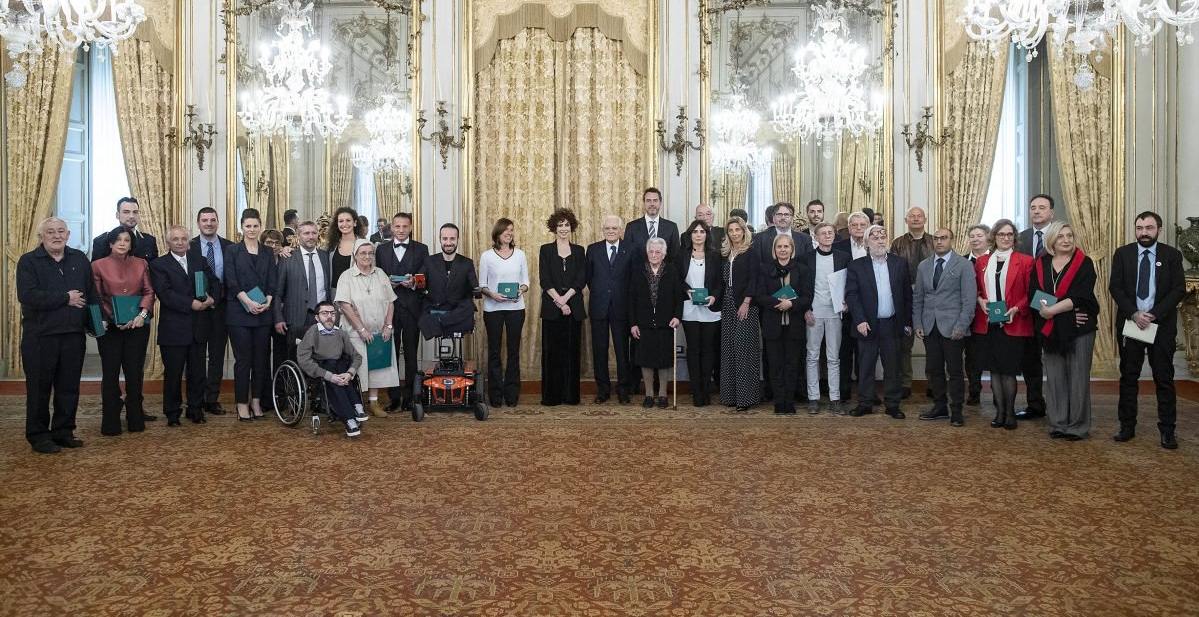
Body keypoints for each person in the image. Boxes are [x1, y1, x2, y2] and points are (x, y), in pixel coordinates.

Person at [1110, 211, 1186, 449]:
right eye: (1139, 228)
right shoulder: (1123, 254)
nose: (1144, 232)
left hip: (1160, 325)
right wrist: (1134, 313)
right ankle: (1127, 426)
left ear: (1159, 230)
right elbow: (1115, 287)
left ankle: (1167, 430)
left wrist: (1153, 314)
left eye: (1149, 228)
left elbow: (1178, 289)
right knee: (1128, 377)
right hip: (1131, 323)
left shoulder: (1171, 255)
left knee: (1164, 378)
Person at [17, 217, 94, 454]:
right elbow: (28, 295)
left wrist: (96, 323)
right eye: (50, 232)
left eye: (61, 231)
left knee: (68, 388)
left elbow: (91, 293)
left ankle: (63, 431)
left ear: (68, 235)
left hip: (73, 336)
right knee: (39, 389)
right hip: (40, 338)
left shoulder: (79, 259)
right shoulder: (28, 261)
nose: (56, 235)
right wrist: (65, 298)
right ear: (41, 236)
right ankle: (38, 436)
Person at [1029, 222, 1099, 440]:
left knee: (1078, 379)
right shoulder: (1041, 263)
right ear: (1051, 240)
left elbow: (1081, 296)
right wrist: (1058, 312)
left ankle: (1078, 426)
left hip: (1080, 329)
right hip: (1051, 329)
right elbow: (1035, 294)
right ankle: (1058, 424)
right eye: (1061, 236)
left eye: (1069, 236)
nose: (1066, 240)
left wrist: (1052, 311)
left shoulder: (1084, 262)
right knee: (1055, 378)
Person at [150, 225, 221, 426]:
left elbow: (215, 282)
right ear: (168, 243)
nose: (180, 242)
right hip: (174, 330)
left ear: (188, 241)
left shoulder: (199, 260)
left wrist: (212, 299)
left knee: (197, 373)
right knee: (173, 375)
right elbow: (165, 293)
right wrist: (191, 303)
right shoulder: (158, 265)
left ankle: (195, 409)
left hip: (199, 327)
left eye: (183, 239)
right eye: (175, 239)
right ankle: (172, 413)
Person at [91, 225, 156, 435]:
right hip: (109, 329)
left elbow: (149, 292)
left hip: (137, 327)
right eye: (118, 240)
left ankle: (135, 418)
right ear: (110, 243)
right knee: (110, 374)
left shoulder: (141, 263)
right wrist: (114, 318)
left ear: (131, 244)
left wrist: (141, 316)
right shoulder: (97, 265)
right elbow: (96, 297)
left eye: (126, 240)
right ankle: (110, 422)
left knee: (134, 374)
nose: (122, 243)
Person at [972, 219, 1034, 430]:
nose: (1005, 238)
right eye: (1001, 234)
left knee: (1008, 371)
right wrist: (980, 300)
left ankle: (1010, 413)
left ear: (1014, 237)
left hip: (1013, 323)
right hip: (989, 323)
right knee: (994, 371)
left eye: (1009, 234)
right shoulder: (982, 262)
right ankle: (999, 412)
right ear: (994, 237)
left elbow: (1031, 292)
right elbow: (977, 289)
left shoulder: (1025, 261)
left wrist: (1016, 308)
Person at [912, 228, 976, 426]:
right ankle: (939, 407)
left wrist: (962, 325)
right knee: (934, 370)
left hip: (954, 327)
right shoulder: (924, 266)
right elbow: (918, 297)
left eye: (944, 238)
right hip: (929, 326)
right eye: (936, 238)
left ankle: (956, 410)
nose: (939, 241)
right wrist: (918, 323)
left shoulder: (964, 265)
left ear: (952, 240)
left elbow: (969, 299)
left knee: (955, 371)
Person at [846, 225, 911, 419]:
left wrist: (907, 322)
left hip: (892, 324)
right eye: (875, 238)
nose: (880, 240)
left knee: (893, 367)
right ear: (866, 243)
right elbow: (852, 295)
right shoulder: (856, 265)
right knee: (866, 367)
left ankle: (893, 405)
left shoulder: (900, 263)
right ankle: (865, 403)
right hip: (867, 324)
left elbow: (907, 295)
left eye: (883, 237)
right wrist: (859, 320)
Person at [336, 239, 399, 417]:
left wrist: (388, 325)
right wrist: (362, 330)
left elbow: (390, 302)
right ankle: (356, 403)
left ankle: (374, 402)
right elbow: (345, 305)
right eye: (362, 253)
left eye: (370, 253)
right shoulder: (346, 276)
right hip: (355, 332)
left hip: (379, 332)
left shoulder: (380, 274)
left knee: (376, 367)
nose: (367, 256)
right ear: (355, 255)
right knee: (358, 367)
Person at [225, 208, 277, 421]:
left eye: (255, 226)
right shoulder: (232, 251)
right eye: (248, 226)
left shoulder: (267, 251)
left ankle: (256, 401)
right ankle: (241, 404)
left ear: (260, 227)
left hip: (263, 312)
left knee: (260, 360)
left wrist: (268, 301)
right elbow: (231, 280)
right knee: (243, 360)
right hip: (239, 313)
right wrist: (247, 301)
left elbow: (272, 280)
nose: (252, 229)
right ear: (242, 227)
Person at [375, 212, 429, 411]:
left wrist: (414, 282)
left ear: (411, 227)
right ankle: (394, 397)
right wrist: (387, 284)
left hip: (413, 308)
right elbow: (376, 277)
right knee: (391, 354)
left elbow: (425, 278)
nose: (401, 230)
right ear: (392, 228)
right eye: (397, 226)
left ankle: (411, 397)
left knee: (411, 354)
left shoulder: (422, 249)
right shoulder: (381, 250)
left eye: (405, 226)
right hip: (389, 310)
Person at [296, 301, 369, 438]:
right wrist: (330, 376)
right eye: (325, 313)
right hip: (321, 369)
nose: (329, 316)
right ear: (317, 317)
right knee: (332, 371)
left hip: (340, 369)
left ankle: (356, 408)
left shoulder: (340, 333)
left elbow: (357, 356)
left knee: (341, 366)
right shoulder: (313, 333)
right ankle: (350, 417)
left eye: (332, 313)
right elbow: (304, 360)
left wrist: (350, 373)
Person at [479, 218, 530, 407]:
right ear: (497, 233)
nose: (509, 233)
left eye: (511, 230)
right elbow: (482, 285)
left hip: (516, 309)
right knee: (494, 351)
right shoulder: (487, 256)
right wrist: (492, 294)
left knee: (513, 351)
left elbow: (526, 282)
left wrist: (520, 291)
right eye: (505, 230)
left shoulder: (520, 255)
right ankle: (495, 395)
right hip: (493, 309)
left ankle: (512, 394)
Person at [756, 233, 809, 414]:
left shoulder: (802, 269)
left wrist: (792, 304)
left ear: (792, 249)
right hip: (773, 325)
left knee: (792, 365)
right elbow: (760, 296)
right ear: (774, 250)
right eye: (779, 246)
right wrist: (779, 303)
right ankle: (779, 401)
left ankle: (789, 401)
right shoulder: (765, 269)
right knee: (775, 365)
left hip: (794, 325)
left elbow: (807, 296)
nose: (783, 250)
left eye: (786, 246)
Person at [801, 222, 851, 414]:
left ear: (834, 235)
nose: (827, 235)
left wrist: (846, 302)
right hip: (814, 312)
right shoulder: (806, 258)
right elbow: (801, 286)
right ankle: (813, 398)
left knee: (833, 357)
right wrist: (806, 309)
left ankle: (835, 398)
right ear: (816, 237)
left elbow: (849, 283)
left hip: (835, 312)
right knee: (812, 356)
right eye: (823, 233)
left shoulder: (843, 257)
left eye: (830, 232)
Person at [539, 208, 587, 406]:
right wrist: (559, 301)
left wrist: (566, 300)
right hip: (552, 309)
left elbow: (581, 279)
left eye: (567, 225)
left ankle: (570, 396)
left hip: (574, 308)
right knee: (552, 354)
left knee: (571, 353)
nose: (564, 228)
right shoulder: (545, 250)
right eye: (560, 225)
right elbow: (545, 279)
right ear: (554, 228)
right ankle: (552, 397)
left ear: (572, 227)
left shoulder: (579, 251)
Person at [1013, 193, 1055, 420]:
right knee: (1030, 360)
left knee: (1055, 359)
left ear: (1051, 212)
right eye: (1033, 207)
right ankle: (1035, 404)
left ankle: (1060, 406)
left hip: (1054, 307)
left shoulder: (1060, 236)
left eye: (1042, 207)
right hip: (1025, 308)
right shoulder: (1021, 238)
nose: (1037, 211)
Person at [629, 237, 684, 409]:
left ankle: (662, 394)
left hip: (665, 323)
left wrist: (677, 316)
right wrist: (633, 323)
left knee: (664, 360)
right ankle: (648, 395)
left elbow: (679, 297)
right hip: (643, 323)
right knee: (646, 360)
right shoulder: (638, 270)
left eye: (658, 252)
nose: (654, 255)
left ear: (664, 254)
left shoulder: (672, 270)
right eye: (651, 251)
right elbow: (631, 299)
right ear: (647, 253)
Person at [190, 207, 234, 416]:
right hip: (196, 309)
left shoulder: (230, 247)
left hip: (221, 308)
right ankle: (196, 399)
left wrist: (215, 299)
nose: (208, 223)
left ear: (218, 222)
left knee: (217, 355)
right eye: (204, 220)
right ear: (198, 223)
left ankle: (211, 399)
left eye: (212, 220)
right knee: (196, 356)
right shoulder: (188, 246)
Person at [586, 215, 634, 404]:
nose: (611, 231)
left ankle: (623, 389)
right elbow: (589, 278)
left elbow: (633, 278)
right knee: (600, 350)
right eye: (607, 228)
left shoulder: (631, 249)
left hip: (622, 308)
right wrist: (602, 293)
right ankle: (603, 390)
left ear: (621, 230)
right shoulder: (593, 249)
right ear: (603, 230)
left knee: (622, 351)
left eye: (614, 228)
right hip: (599, 306)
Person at [677, 220, 723, 407]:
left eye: (702, 231)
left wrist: (714, 296)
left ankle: (706, 390)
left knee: (708, 350)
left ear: (706, 235)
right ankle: (696, 392)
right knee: (693, 350)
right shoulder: (681, 255)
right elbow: (677, 279)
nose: (698, 235)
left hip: (710, 310)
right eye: (695, 231)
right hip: (690, 308)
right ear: (690, 235)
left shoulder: (715, 256)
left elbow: (720, 282)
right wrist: (687, 290)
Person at [889, 206, 933, 399]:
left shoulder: (934, 241)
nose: (916, 219)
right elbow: (892, 271)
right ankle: (905, 383)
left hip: (931, 300)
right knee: (904, 345)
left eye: (919, 216)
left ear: (925, 219)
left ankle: (934, 382)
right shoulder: (898, 243)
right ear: (906, 220)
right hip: (905, 299)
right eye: (912, 216)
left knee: (933, 344)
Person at [719, 217, 761, 411]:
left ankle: (745, 398)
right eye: (731, 230)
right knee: (729, 349)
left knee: (744, 351)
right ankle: (730, 396)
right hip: (727, 304)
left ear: (744, 231)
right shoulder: (726, 253)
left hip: (746, 305)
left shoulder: (751, 252)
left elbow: (754, 279)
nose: (735, 233)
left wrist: (746, 301)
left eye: (738, 229)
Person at [273, 221, 331, 360]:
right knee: (296, 359)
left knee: (322, 358)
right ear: (298, 236)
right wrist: (278, 318)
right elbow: (278, 292)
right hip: (296, 319)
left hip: (322, 317)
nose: (310, 236)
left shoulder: (325, 257)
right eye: (306, 233)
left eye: (314, 233)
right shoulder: (287, 258)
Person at [833, 211, 870, 403]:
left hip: (869, 308)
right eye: (854, 225)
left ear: (868, 227)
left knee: (866, 353)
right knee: (844, 352)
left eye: (862, 225)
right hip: (845, 307)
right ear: (848, 228)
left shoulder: (875, 246)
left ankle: (867, 392)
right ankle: (844, 391)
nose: (858, 228)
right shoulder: (838, 247)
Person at [419, 223, 478, 339]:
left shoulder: (467, 263)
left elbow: (474, 287)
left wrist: (478, 290)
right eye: (445, 238)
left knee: (469, 306)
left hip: (457, 308)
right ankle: (441, 320)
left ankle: (438, 321)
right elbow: (420, 284)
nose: (448, 242)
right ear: (440, 240)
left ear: (458, 239)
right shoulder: (429, 261)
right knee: (423, 307)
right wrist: (412, 282)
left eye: (452, 239)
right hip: (436, 306)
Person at [963, 224, 991, 406]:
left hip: (991, 315)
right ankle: (974, 391)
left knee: (995, 354)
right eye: (972, 236)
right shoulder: (961, 261)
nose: (975, 239)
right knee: (971, 357)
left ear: (988, 237)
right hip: (968, 318)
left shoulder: (997, 258)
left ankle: (999, 393)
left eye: (979, 235)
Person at [624, 187, 680, 268]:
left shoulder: (671, 227)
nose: (652, 204)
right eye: (648, 200)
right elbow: (627, 256)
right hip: (638, 274)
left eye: (655, 200)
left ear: (660, 203)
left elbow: (675, 256)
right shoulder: (632, 227)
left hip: (664, 274)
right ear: (644, 203)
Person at [91, 197, 159, 262]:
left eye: (135, 212)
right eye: (126, 212)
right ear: (117, 215)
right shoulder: (102, 241)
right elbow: (96, 268)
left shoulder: (149, 241)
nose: (131, 216)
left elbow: (154, 268)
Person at [262, 229, 289, 380]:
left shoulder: (286, 259)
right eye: (269, 243)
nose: (273, 246)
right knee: (262, 354)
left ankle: (279, 388)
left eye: (277, 243)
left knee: (281, 353)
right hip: (263, 312)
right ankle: (265, 390)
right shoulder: (257, 260)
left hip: (282, 314)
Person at [327, 207, 365, 294]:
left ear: (355, 223)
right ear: (337, 224)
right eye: (341, 221)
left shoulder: (364, 245)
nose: (344, 224)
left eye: (348, 220)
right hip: (334, 294)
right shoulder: (331, 246)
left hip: (357, 293)